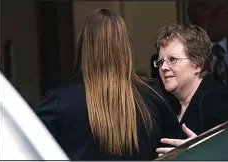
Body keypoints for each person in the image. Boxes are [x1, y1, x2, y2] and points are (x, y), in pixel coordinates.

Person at [34, 8, 188, 160]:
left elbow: (27, 149)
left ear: (84, 46)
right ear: (125, 48)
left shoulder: (60, 102)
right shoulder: (152, 97)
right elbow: (181, 152)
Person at [152, 23, 228, 155]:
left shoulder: (216, 101)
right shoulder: (169, 104)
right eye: (160, 61)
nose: (164, 67)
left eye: (172, 59)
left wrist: (202, 153)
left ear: (198, 64)